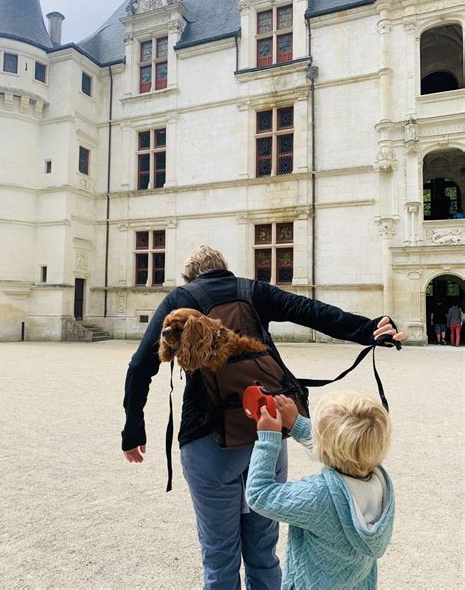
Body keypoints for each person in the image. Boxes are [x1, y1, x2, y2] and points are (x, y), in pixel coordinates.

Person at [122, 245, 404, 590]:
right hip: (265, 432)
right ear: (225, 268)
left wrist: (132, 430)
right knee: (263, 550)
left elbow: (140, 367)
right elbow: (312, 311)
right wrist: (370, 329)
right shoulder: (251, 290)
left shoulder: (182, 299)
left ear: (189, 276)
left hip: (206, 437)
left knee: (219, 553)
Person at [246, 392, 394, 590]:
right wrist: (297, 423)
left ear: (323, 447)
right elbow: (346, 449)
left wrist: (268, 438)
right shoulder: (381, 484)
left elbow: (259, 495)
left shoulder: (318, 496)